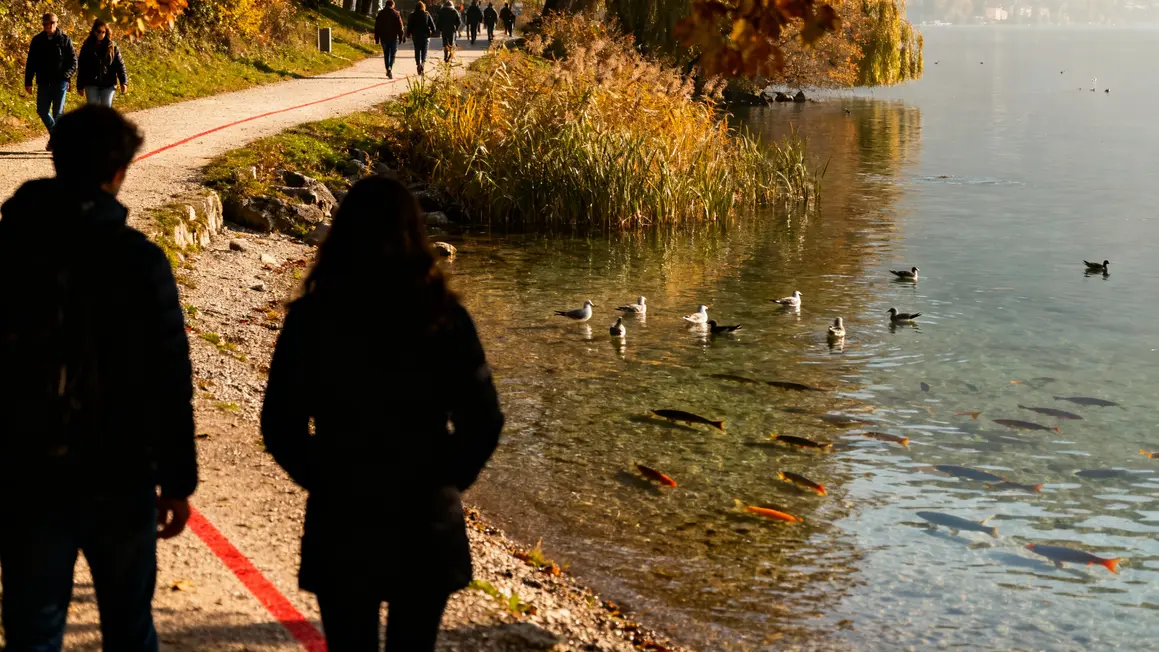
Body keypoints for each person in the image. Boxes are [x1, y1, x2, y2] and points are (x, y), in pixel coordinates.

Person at [262, 176, 504, 652]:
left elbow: (280, 425)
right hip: (424, 514)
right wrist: (447, 478)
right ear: (415, 235)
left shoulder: (312, 318)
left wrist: (323, 476)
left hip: (343, 510)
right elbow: (484, 420)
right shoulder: (444, 318)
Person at [0, 105, 198, 652]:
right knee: (129, 627)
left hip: (26, 469)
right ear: (118, 172)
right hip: (121, 470)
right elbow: (169, 378)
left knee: (32, 631)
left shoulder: (10, 247)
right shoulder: (139, 261)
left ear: (57, 159)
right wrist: (177, 481)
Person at [24, 13, 77, 148]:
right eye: (46, 24)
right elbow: (31, 62)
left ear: (56, 23)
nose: (49, 26)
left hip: (60, 82)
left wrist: (67, 75)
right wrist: (28, 81)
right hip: (43, 81)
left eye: (51, 23)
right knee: (42, 110)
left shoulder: (65, 40)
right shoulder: (37, 40)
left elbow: (73, 61)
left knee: (58, 112)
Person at [76, 19, 128, 107]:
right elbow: (82, 66)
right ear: (94, 32)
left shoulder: (112, 46)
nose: (100, 34)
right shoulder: (87, 46)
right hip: (91, 82)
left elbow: (120, 65)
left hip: (108, 83)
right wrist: (80, 86)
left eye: (103, 32)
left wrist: (123, 82)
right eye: (98, 32)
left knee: (106, 108)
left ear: (106, 32)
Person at [374, 0, 406, 79]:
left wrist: (377, 38)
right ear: (392, 5)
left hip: (383, 37)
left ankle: (387, 68)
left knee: (386, 54)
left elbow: (377, 27)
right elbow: (400, 27)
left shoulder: (380, 14)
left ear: (386, 5)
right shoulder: (396, 14)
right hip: (393, 38)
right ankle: (390, 68)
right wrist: (401, 37)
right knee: (393, 54)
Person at [406, 1, 437, 76]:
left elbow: (409, 26)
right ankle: (423, 63)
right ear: (423, 7)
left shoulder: (412, 15)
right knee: (424, 51)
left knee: (417, 50)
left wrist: (408, 34)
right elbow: (433, 27)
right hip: (425, 36)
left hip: (416, 36)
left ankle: (418, 64)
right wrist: (431, 31)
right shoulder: (426, 14)